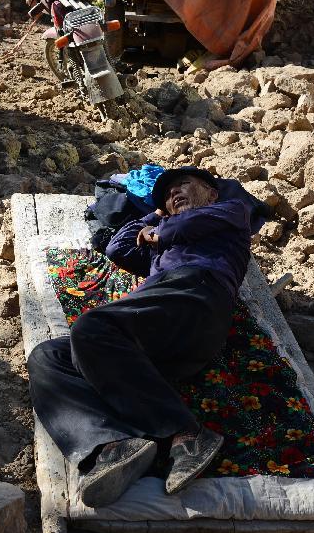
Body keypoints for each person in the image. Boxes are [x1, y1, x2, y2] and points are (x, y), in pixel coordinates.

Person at [27, 167, 255, 508]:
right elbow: (118, 248)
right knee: (47, 356)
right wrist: (155, 215)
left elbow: (185, 226)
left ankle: (187, 435)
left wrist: (159, 230)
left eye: (183, 185)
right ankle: (112, 446)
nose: (174, 193)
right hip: (154, 334)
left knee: (92, 327)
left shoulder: (230, 211)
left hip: (196, 296)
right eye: (166, 193)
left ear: (211, 193)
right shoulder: (162, 237)